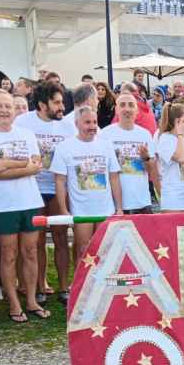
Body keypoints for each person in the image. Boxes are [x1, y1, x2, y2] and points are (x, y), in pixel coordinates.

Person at [0, 90, 48, 323]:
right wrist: (24, 166)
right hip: (3, 205)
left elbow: (36, 165)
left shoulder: (26, 134)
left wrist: (3, 163)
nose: (4, 110)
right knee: (8, 254)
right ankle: (14, 305)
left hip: (30, 201)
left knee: (30, 251)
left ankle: (32, 300)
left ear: (15, 110)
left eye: (8, 106)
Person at [15, 81, 71, 302]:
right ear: (41, 104)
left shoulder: (67, 126)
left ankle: (64, 287)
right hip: (32, 189)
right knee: (36, 241)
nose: (61, 107)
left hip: (58, 188)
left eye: (62, 102)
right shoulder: (23, 123)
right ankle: (39, 287)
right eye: (56, 103)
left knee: (60, 237)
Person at [52, 106, 122, 261]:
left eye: (95, 122)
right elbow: (60, 180)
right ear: (76, 124)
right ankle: (81, 278)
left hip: (106, 209)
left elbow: (114, 177)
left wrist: (119, 207)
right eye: (87, 122)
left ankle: (102, 278)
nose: (92, 126)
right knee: (83, 250)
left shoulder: (106, 145)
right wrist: (63, 209)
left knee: (105, 251)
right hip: (81, 211)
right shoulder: (64, 147)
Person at [98, 93, 157, 215]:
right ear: (116, 110)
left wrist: (146, 158)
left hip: (142, 202)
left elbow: (152, 170)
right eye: (122, 105)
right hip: (115, 205)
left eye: (131, 105)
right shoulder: (105, 134)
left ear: (137, 111)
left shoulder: (145, 134)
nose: (127, 109)